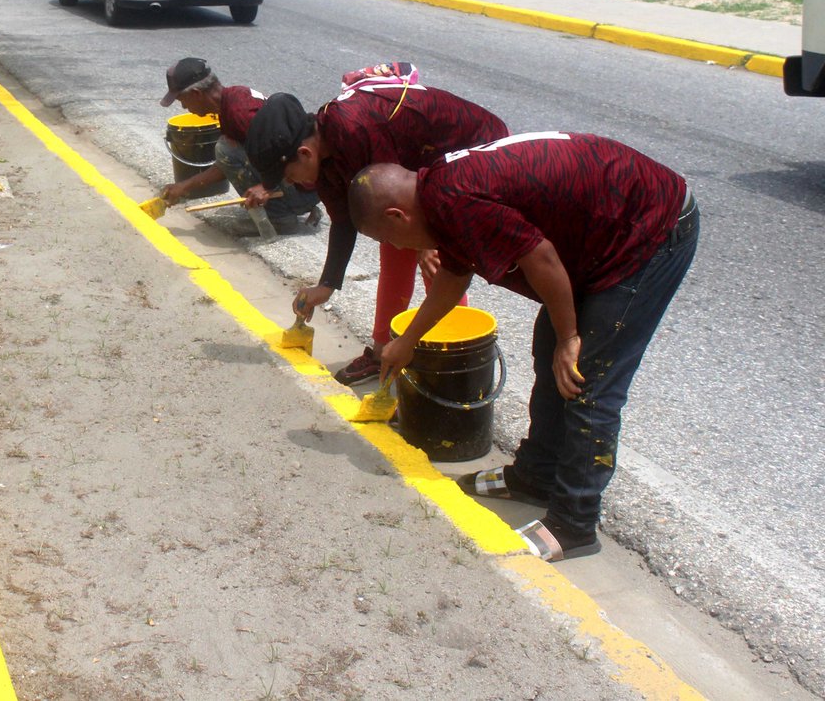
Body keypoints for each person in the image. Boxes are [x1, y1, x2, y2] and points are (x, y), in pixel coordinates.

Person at [347, 132, 699, 561]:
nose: (402, 249)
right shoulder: (437, 193)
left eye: (394, 240)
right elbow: (454, 275)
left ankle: (574, 525)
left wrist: (571, 338)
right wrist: (407, 341)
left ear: (397, 215)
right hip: (601, 234)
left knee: (586, 377)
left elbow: (542, 258)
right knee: (545, 349)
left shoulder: (454, 200)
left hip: (647, 231)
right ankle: (537, 475)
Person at [245, 63, 508, 385]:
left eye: (288, 176)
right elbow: (343, 221)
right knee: (394, 244)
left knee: (438, 263)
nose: (291, 184)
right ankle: (384, 349)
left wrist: (429, 243)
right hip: (415, 167)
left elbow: (398, 196)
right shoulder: (325, 158)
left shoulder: (355, 129)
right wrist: (326, 285)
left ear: (304, 153)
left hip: (470, 150)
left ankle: (450, 363)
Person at [159, 58, 319, 235]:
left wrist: (266, 188)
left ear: (196, 93)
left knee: (225, 149)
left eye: (182, 100)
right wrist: (183, 187)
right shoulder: (233, 98)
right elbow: (224, 166)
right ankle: (289, 207)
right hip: (303, 187)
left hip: (303, 187)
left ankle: (279, 219)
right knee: (227, 150)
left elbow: (290, 157)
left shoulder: (239, 114)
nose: (183, 106)